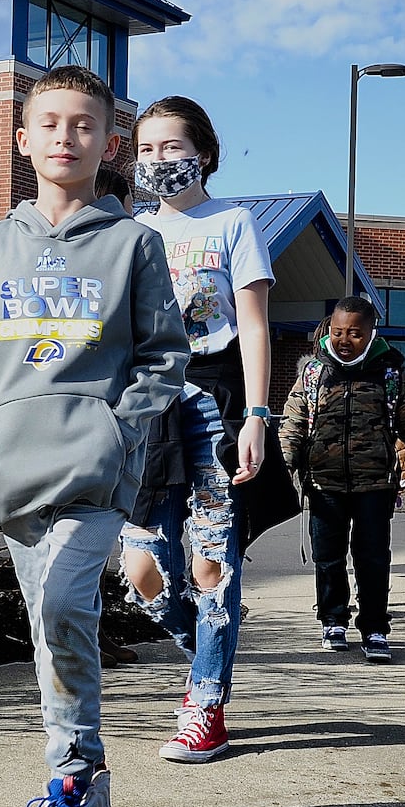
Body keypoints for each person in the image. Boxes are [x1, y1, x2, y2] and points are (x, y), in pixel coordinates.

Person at [0, 64, 188, 807]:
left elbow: (164, 355)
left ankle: (71, 785)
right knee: (54, 628)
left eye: (83, 125)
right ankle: (87, 780)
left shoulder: (134, 243)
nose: (65, 137)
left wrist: (117, 433)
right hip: (15, 471)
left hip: (94, 470)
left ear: (109, 143)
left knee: (61, 603)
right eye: (49, 123)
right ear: (24, 140)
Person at [114, 95, 278, 763]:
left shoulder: (234, 222)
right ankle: (204, 644)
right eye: (147, 149)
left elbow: (257, 325)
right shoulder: (131, 230)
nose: (159, 160)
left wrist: (259, 417)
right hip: (143, 408)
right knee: (143, 571)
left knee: (212, 563)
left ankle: (206, 698)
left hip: (214, 405)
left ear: (203, 153)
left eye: (171, 147)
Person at [280, 297, 405, 663]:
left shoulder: (389, 375)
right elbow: (292, 424)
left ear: (371, 333)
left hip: (375, 485)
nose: (344, 339)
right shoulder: (313, 374)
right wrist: (282, 467)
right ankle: (333, 619)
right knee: (328, 557)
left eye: (355, 333)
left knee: (372, 558)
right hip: (324, 485)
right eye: (338, 332)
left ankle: (374, 627)